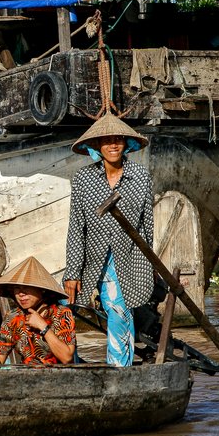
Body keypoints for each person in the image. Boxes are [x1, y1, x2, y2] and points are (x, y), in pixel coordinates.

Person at [63, 113, 154, 367]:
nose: (113, 145)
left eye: (118, 140)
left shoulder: (140, 176)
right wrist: (72, 272)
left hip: (130, 258)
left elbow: (148, 227)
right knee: (64, 310)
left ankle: (119, 370)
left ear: (126, 144)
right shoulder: (83, 179)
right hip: (92, 260)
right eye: (107, 141)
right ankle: (70, 364)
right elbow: (76, 228)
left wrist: (149, 265)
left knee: (118, 311)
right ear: (96, 146)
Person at [0, 256, 76, 366]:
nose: (21, 294)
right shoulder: (13, 317)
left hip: (60, 377)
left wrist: (43, 327)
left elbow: (67, 358)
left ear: (42, 289)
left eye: (26, 287)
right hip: (26, 378)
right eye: (17, 288)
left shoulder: (61, 313)